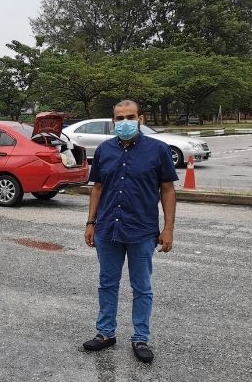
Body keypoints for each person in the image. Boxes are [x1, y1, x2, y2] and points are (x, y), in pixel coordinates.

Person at [82, 100, 177, 363]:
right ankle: (105, 333)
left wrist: (168, 229)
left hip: (142, 231)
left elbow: (168, 190)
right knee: (107, 283)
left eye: (130, 117)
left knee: (142, 287)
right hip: (108, 229)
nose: (125, 121)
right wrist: (90, 222)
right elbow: (97, 187)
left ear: (140, 119)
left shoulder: (158, 150)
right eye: (120, 117)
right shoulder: (104, 150)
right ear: (113, 121)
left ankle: (140, 338)